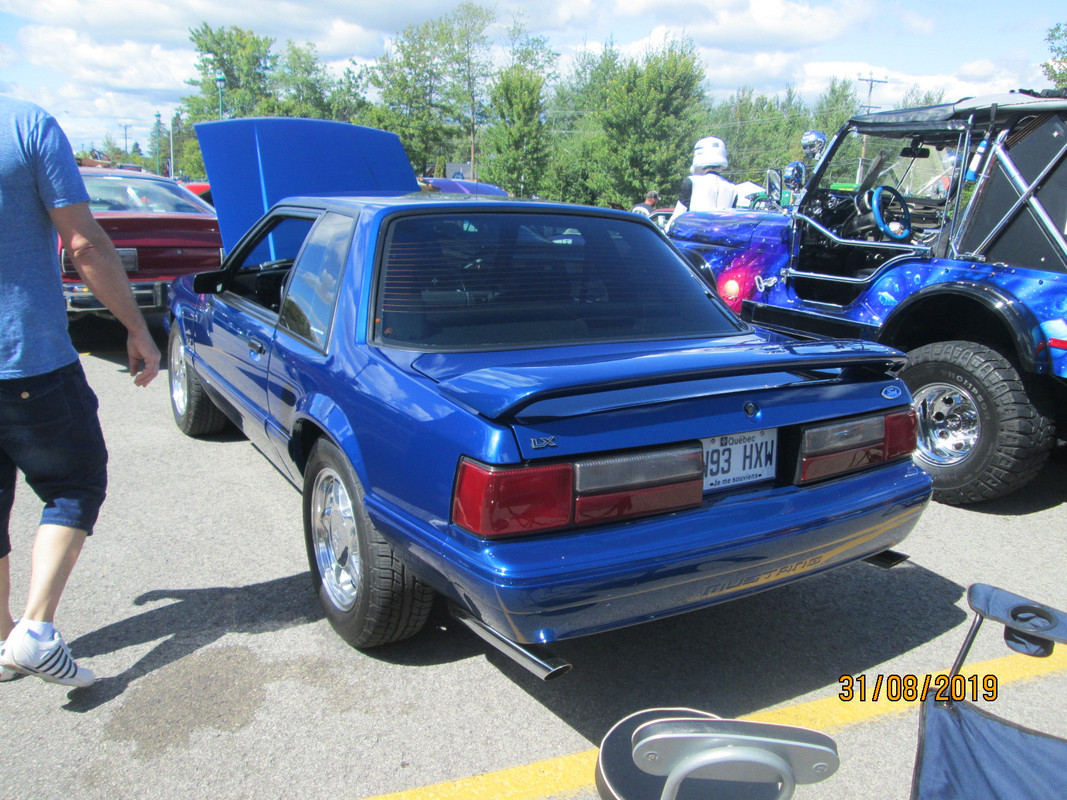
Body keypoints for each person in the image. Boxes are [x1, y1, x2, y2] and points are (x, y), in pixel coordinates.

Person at [0, 96, 160, 688]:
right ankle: (36, 632)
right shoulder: (24, 125)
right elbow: (83, 242)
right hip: (24, 359)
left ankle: (4, 640)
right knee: (75, 481)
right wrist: (137, 327)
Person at [668, 137, 737, 225]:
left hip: (695, 234)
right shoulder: (732, 188)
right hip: (720, 236)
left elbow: (678, 216)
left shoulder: (692, 182)